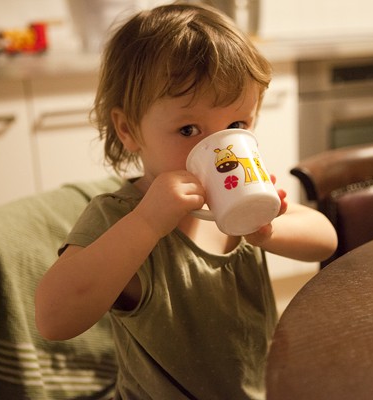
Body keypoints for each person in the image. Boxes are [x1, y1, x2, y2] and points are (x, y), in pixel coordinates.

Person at [35, 3, 337, 399]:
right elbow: (53, 318)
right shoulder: (121, 216)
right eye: (189, 129)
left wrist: (269, 230)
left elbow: (325, 239)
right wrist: (147, 223)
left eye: (236, 125)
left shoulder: (243, 194)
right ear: (128, 130)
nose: (218, 147)